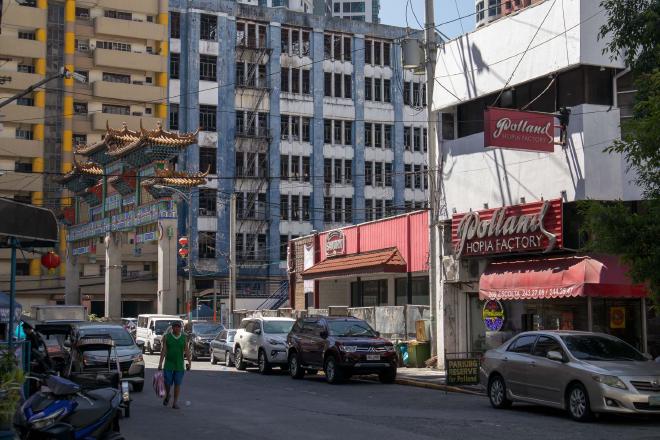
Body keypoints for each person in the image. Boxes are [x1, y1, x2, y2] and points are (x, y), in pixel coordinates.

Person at [158, 321, 191, 409]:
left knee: (177, 384)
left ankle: (175, 403)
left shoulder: (184, 338)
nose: (177, 328)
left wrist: (189, 362)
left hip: (179, 365)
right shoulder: (167, 337)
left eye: (178, 327)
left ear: (181, 328)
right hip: (168, 364)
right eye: (175, 327)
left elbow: (187, 350)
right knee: (167, 383)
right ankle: (168, 394)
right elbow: (164, 350)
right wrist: (160, 363)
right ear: (172, 328)